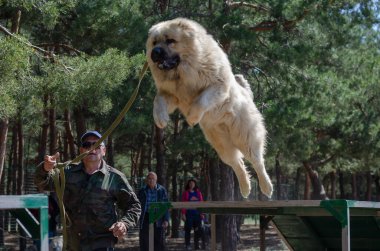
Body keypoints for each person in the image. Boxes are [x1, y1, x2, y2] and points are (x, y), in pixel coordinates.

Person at [34, 130, 141, 251]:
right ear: (81, 150)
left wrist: (124, 223)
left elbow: (134, 205)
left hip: (102, 243)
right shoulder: (66, 172)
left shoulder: (114, 177)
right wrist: (45, 168)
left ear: (104, 151)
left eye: (97, 145)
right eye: (87, 145)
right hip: (73, 243)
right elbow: (42, 183)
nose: (92, 148)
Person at [138, 172, 170, 251]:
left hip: (158, 216)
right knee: (145, 240)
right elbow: (137, 205)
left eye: (153, 179)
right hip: (145, 217)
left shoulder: (161, 190)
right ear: (146, 180)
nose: (151, 180)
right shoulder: (142, 190)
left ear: (156, 180)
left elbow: (166, 205)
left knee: (159, 241)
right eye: (149, 178)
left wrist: (166, 219)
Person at [181, 179, 206, 250]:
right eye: (190, 183)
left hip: (197, 215)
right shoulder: (186, 193)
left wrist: (202, 213)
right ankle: (187, 245)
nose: (191, 184)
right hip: (189, 215)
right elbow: (183, 203)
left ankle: (196, 245)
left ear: (195, 184)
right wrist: (183, 214)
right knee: (187, 230)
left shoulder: (198, 193)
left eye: (193, 183)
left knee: (197, 230)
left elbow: (201, 203)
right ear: (188, 184)